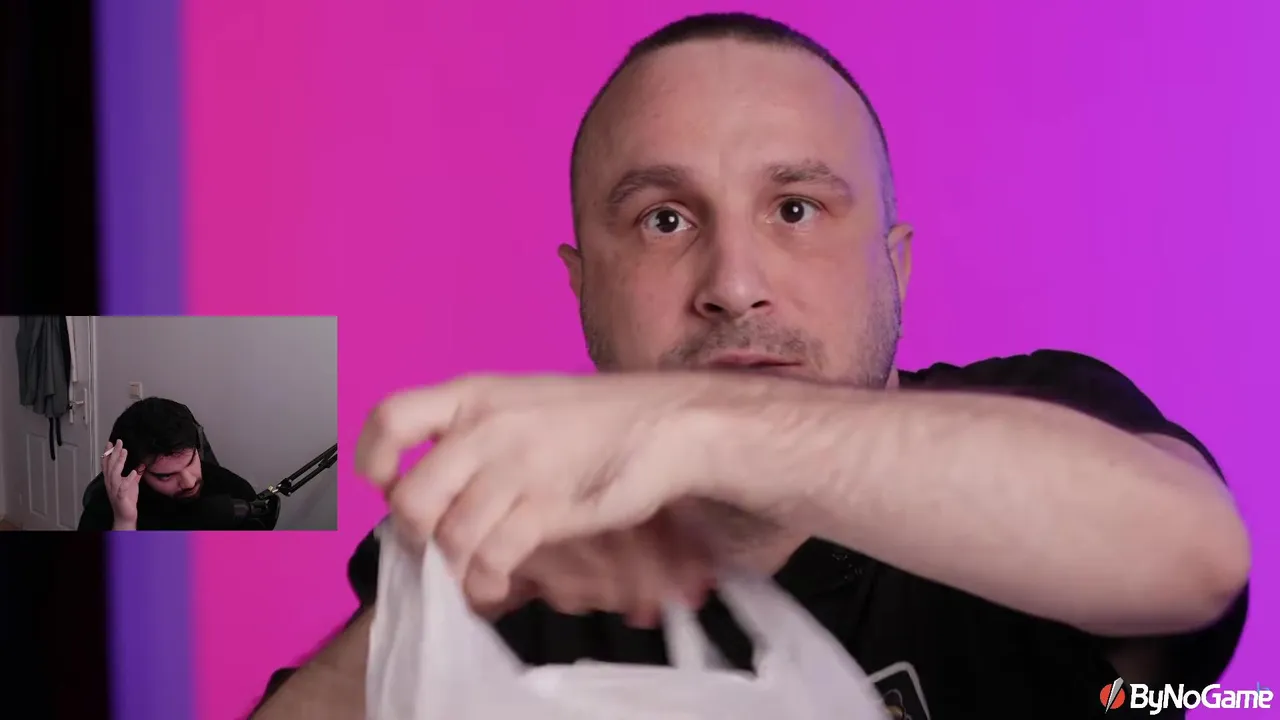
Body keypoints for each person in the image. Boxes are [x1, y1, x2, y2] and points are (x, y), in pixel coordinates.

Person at [253, 12, 1251, 719]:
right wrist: (432, 609)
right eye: (664, 220)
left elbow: (1195, 563)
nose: (733, 284)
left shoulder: (1043, 426)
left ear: (894, 267)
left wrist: (697, 426)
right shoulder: (510, 525)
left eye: (795, 209)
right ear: (582, 285)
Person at [78, 397, 261, 531]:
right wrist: (124, 522)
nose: (189, 482)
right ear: (134, 471)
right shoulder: (103, 508)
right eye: (166, 476)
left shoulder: (236, 492)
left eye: (190, 461)